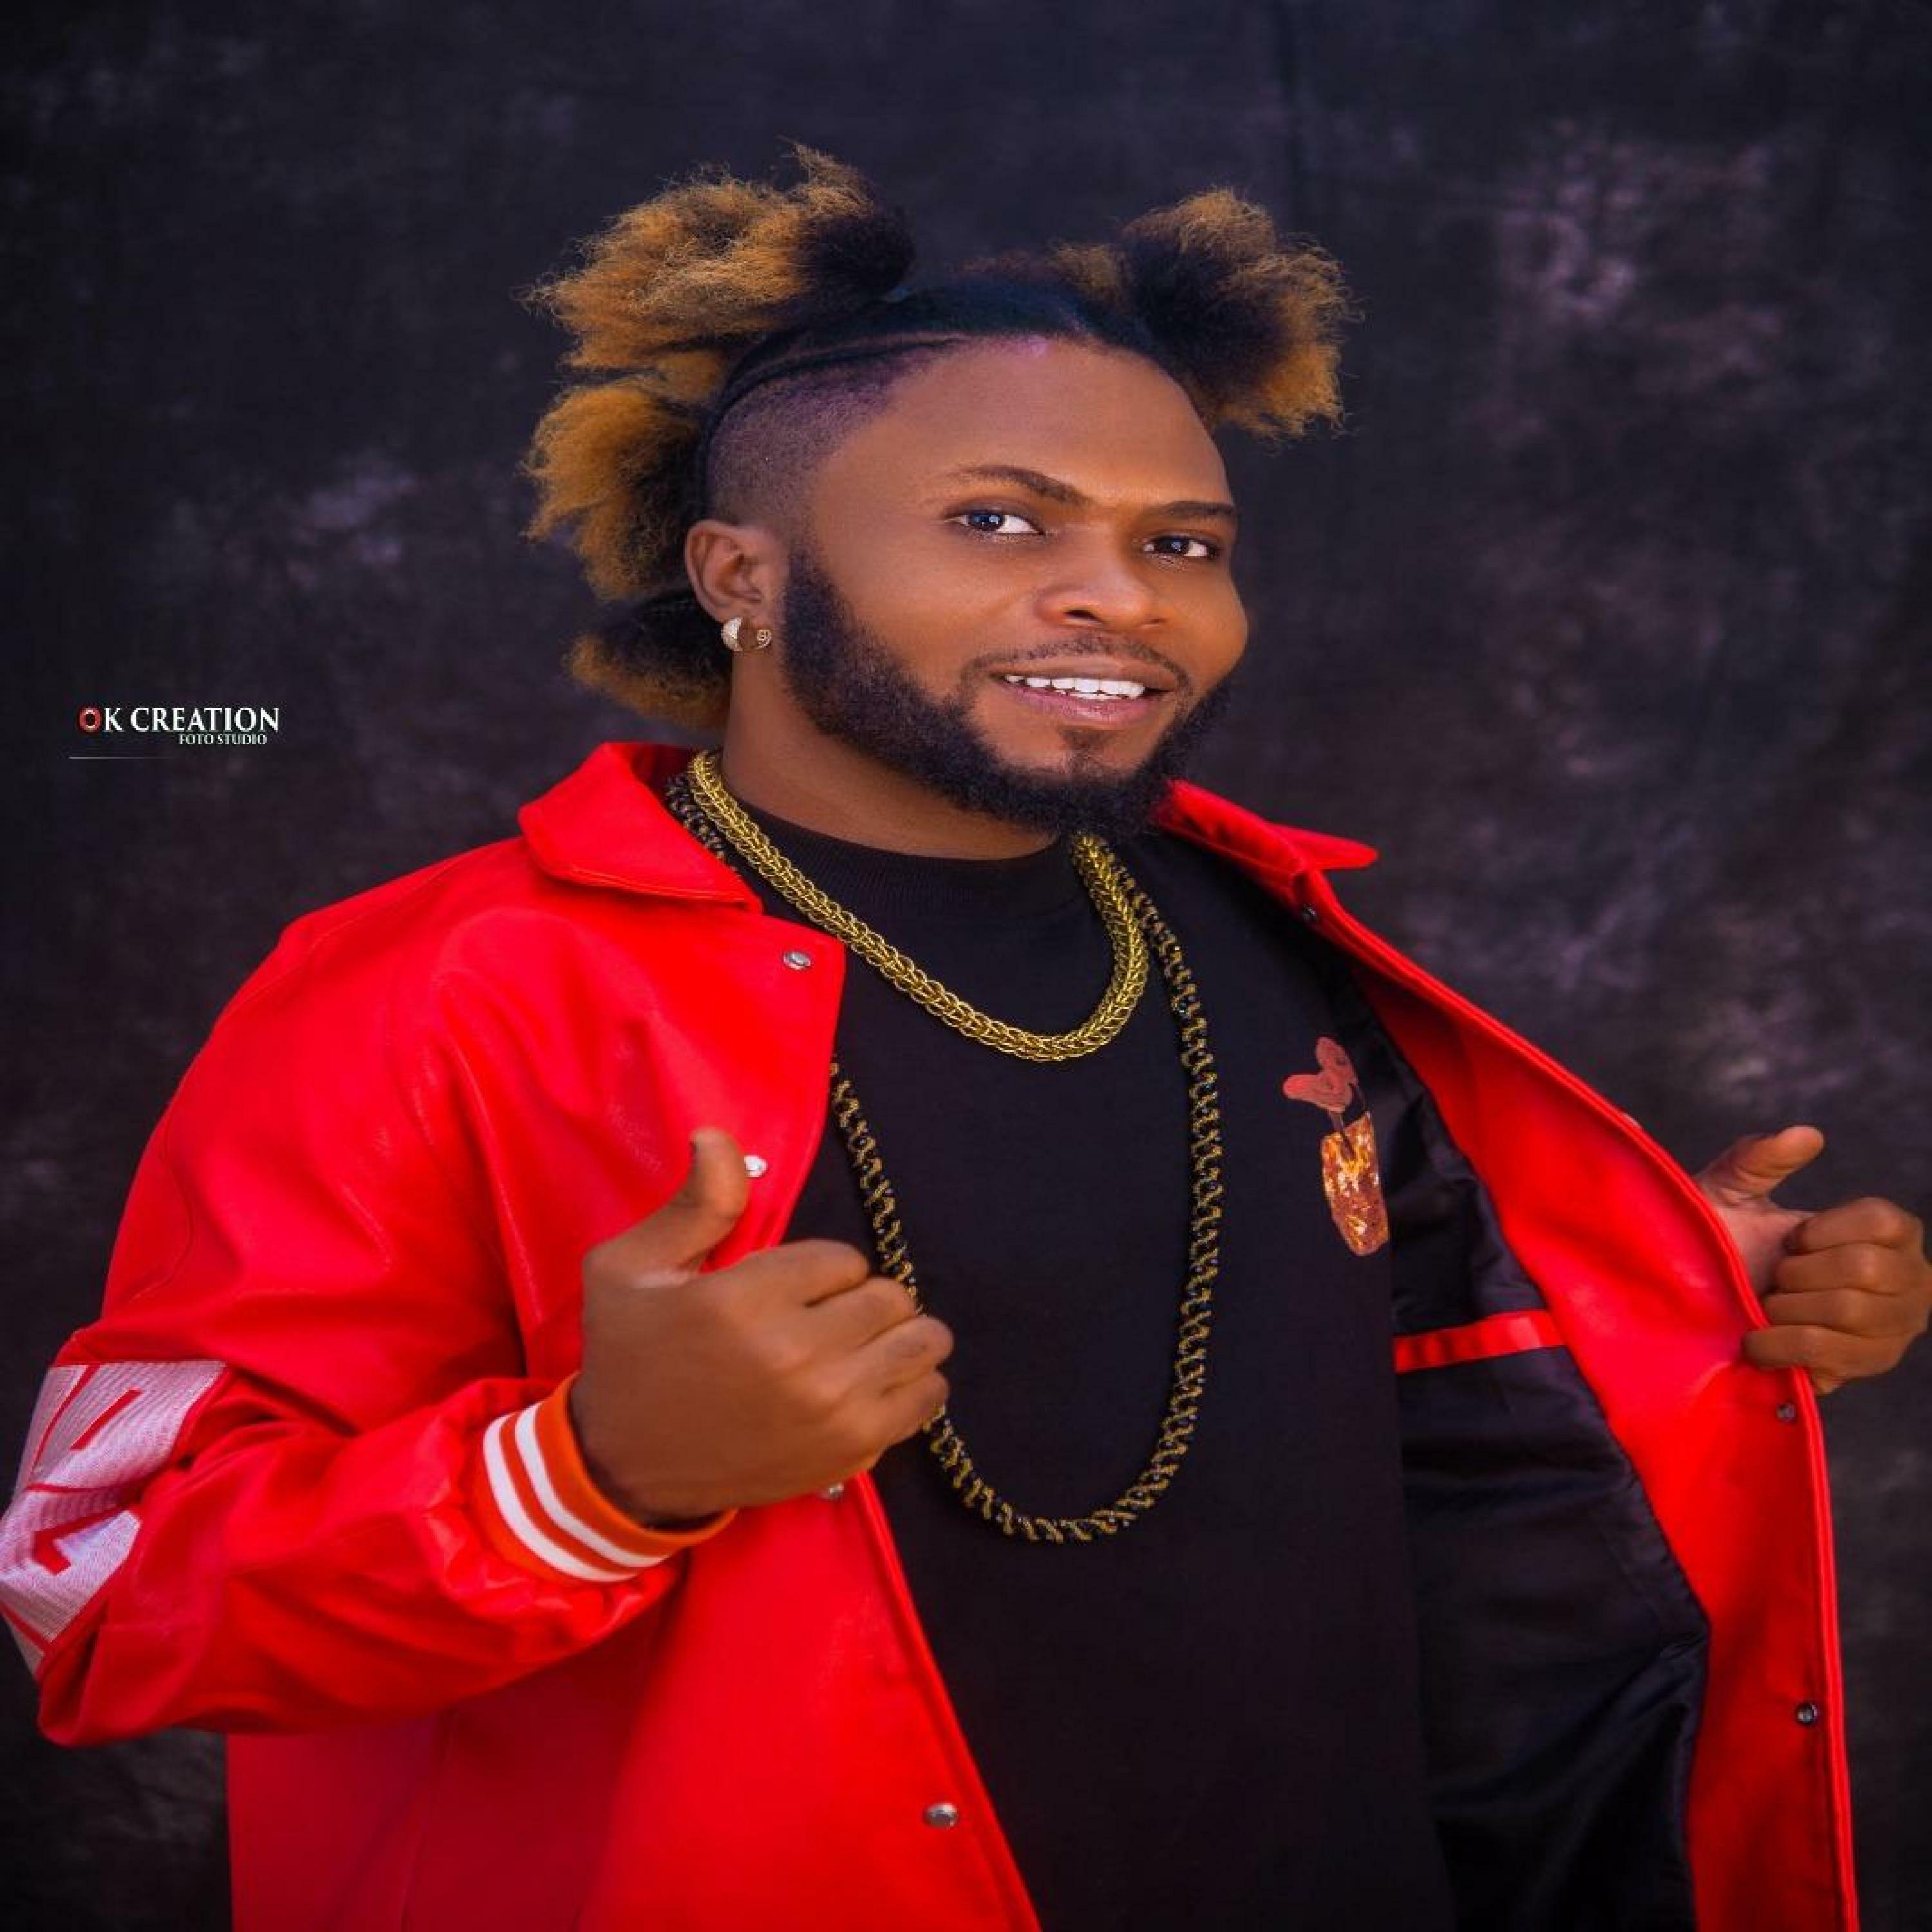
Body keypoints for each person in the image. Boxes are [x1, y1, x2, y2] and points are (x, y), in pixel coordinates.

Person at [2, 146, 1925, 1932]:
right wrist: (585, 1475)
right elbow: (103, 1590)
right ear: (743, 577)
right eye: (998, 521)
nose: (1117, 596)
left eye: (1186, 544)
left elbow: (1418, 1394)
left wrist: (1669, 1286)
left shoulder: (1267, 930)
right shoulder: (437, 985)